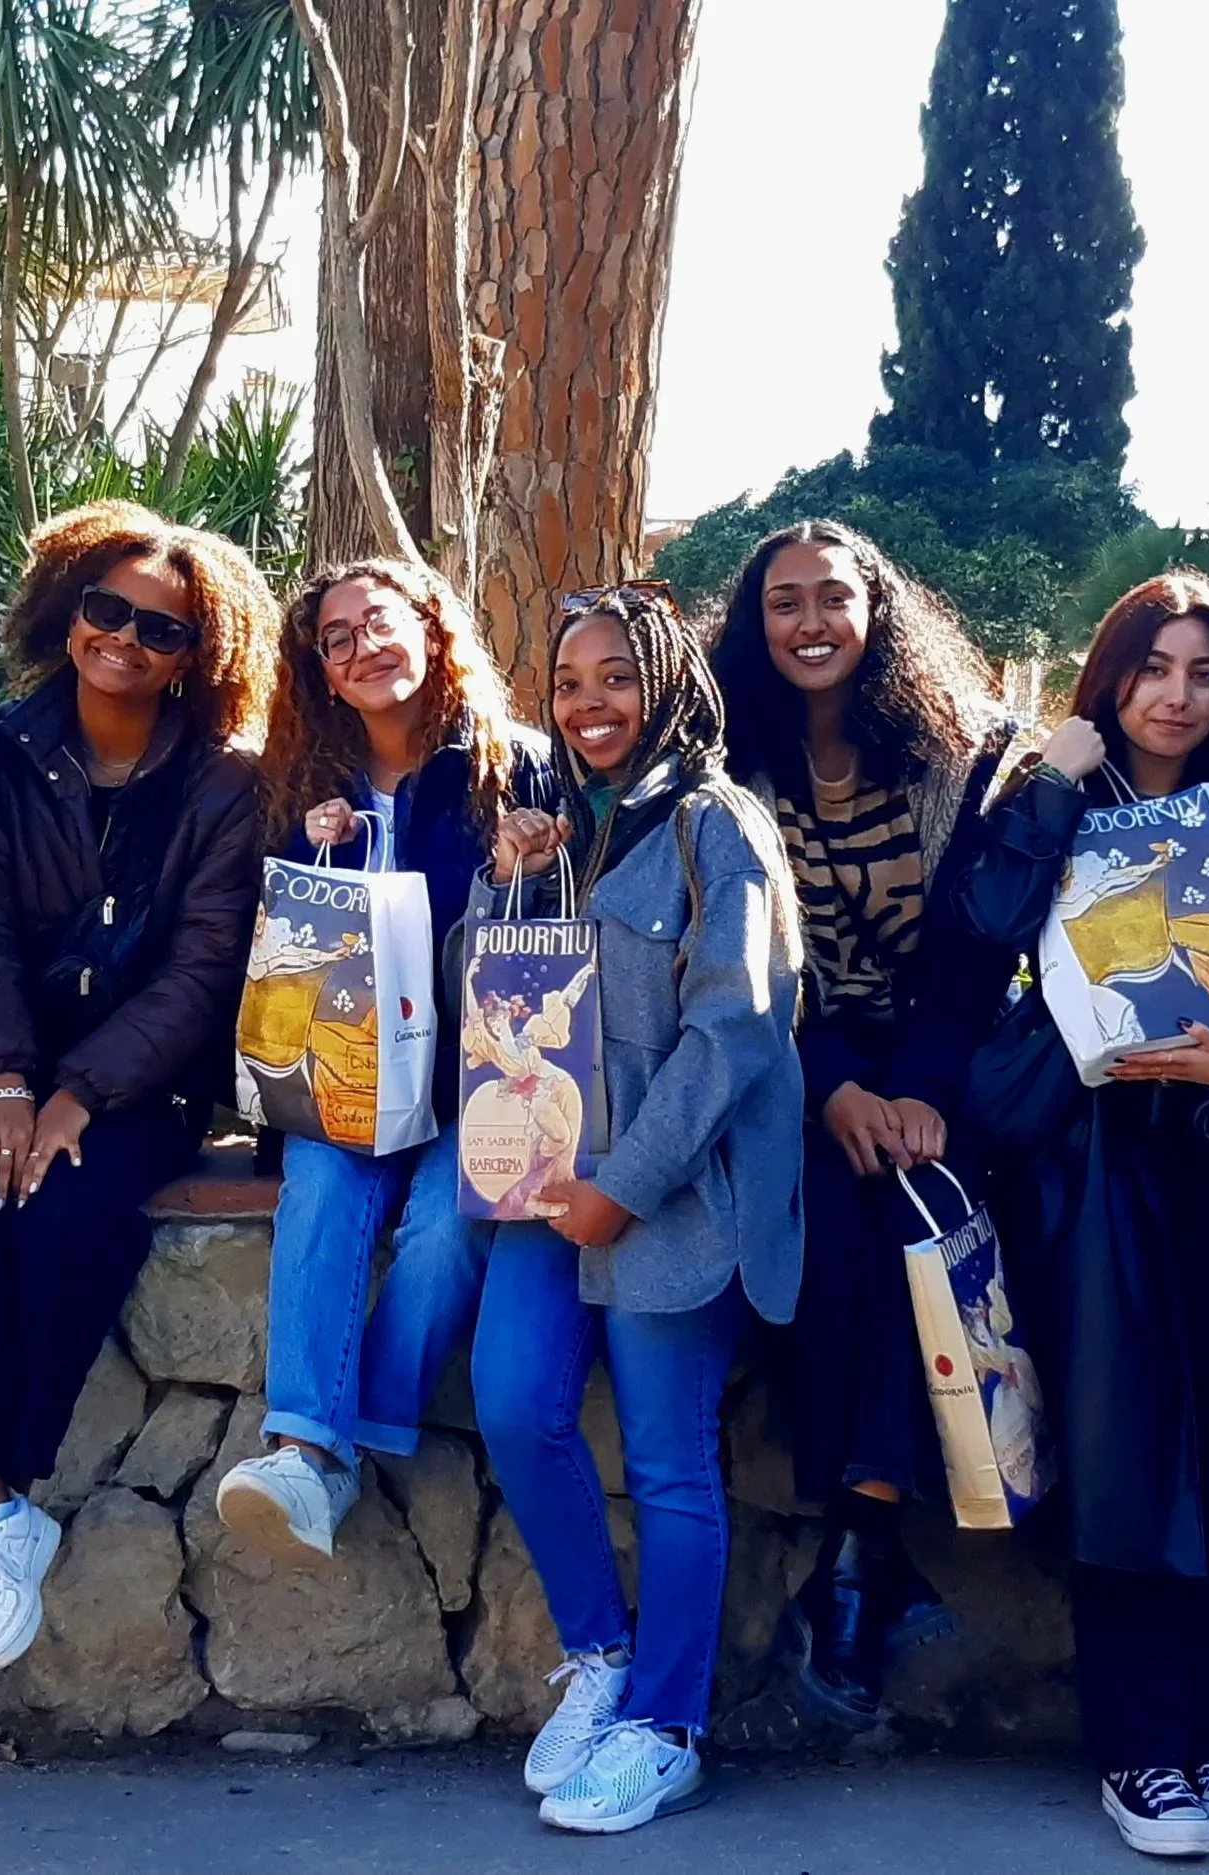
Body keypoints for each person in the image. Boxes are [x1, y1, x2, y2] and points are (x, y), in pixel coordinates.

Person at [955, 572, 1209, 1857]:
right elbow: (976, 938)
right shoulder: (1048, 804)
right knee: (1120, 1454)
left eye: (1202, 672)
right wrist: (1050, 785)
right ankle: (1139, 1749)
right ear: (1107, 680)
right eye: (1149, 668)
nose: (1174, 695)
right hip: (1088, 1178)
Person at [0, 500, 273, 1679]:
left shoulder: (224, 780)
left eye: (163, 628)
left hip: (145, 1075)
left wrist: (83, 1095)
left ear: (198, 654)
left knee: (67, 1214)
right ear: (68, 610)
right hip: (1, 1050)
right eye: (109, 610)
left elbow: (208, 964)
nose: (129, 640)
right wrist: (5, 1076)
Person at [472, 583, 803, 1834]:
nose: (590, 703)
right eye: (567, 684)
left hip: (668, 1201)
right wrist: (507, 885)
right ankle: (598, 1658)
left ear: (667, 682)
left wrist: (625, 1188)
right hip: (543, 1190)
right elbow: (490, 1004)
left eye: (616, 676)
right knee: (514, 1402)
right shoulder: (552, 823)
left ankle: (667, 1725)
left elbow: (734, 1032)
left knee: (669, 1467)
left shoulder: (720, 827)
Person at [706, 518, 1014, 1729]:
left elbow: (975, 953)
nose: (811, 623)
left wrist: (924, 1092)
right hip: (796, 1067)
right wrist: (831, 1084)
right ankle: (865, 1551)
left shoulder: (956, 757)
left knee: (925, 1228)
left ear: (878, 613)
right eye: (785, 602)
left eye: (834, 598)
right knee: (824, 1236)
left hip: (940, 1066)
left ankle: (857, 1550)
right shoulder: (730, 765)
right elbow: (745, 965)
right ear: (756, 623)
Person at [212, 559, 551, 1559]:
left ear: (434, 628)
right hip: (347, 1076)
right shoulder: (300, 786)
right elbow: (266, 949)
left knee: (451, 1229)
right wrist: (318, 859)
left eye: (379, 623)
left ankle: (337, 1443)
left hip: (480, 1082)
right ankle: (301, 1449)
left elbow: (553, 944)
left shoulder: (515, 765)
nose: (361, 649)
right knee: (316, 1184)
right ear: (318, 668)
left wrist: (517, 868)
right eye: (336, 639)